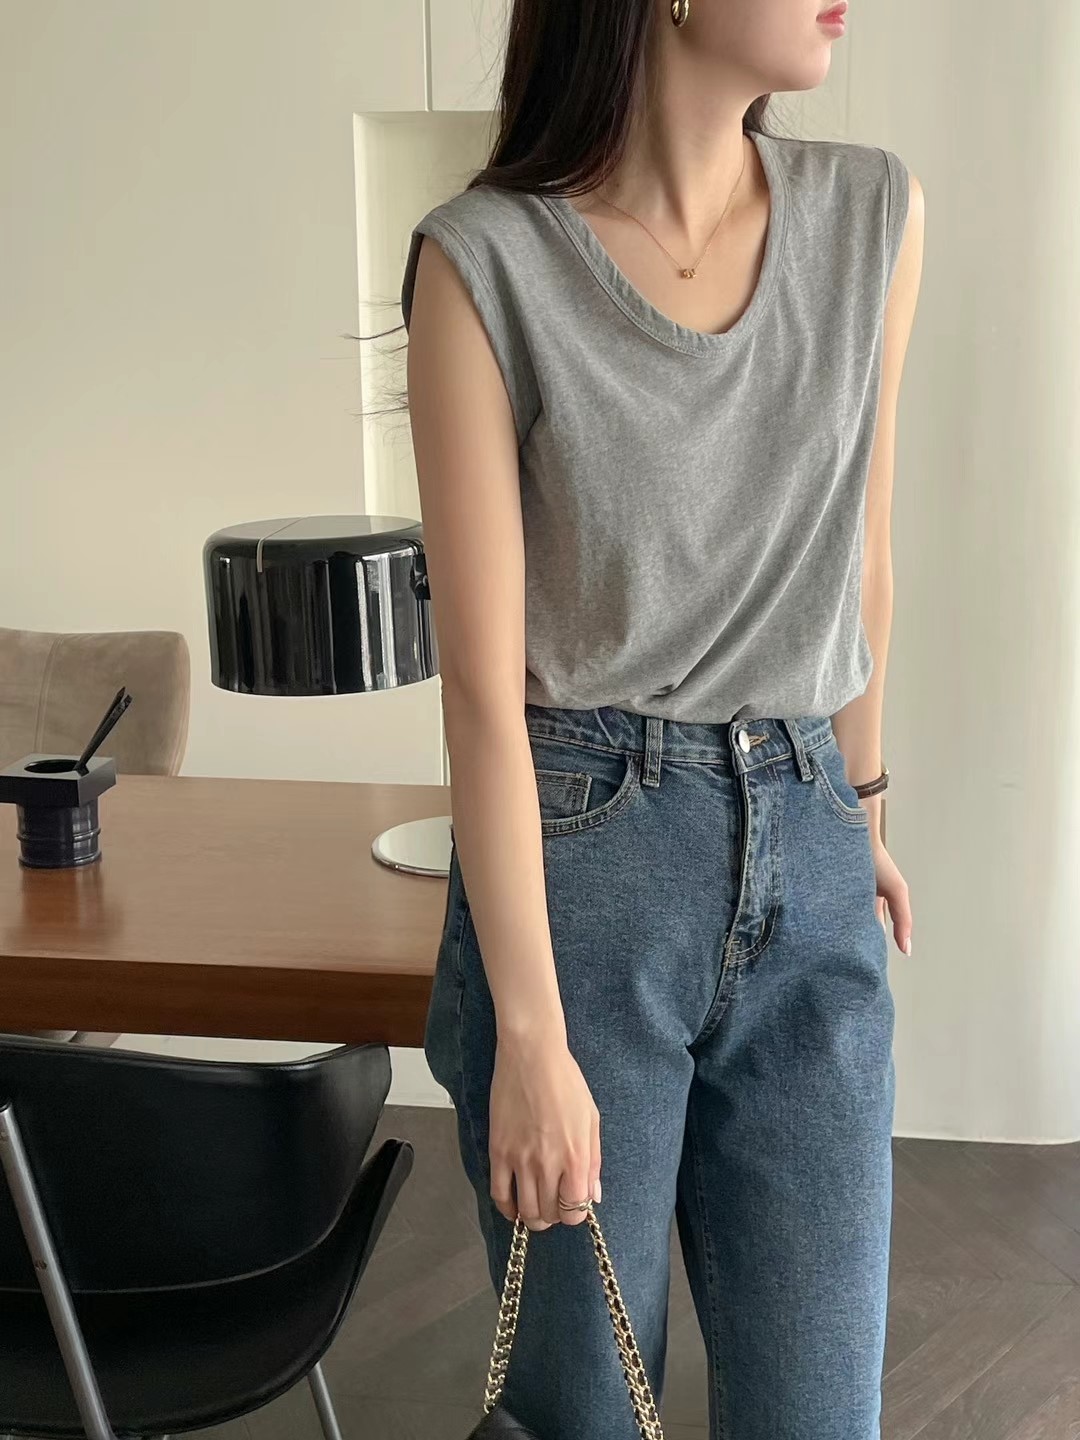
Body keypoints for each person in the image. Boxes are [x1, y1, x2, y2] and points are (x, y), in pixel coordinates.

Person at [400, 0, 924, 1434]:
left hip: (811, 838)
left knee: (822, 1410)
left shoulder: (874, 214)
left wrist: (862, 805)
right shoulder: (487, 262)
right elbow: (481, 695)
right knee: (588, 1409)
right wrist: (527, 1033)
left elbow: (864, 554)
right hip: (585, 874)